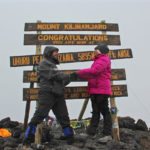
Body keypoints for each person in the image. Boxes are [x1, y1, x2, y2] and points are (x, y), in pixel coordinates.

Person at [23, 46, 74, 145]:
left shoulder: (54, 65)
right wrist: (70, 76)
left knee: (63, 116)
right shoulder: (43, 63)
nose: (57, 54)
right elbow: (55, 75)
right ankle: (28, 138)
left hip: (58, 93)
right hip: (47, 93)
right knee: (40, 114)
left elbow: (60, 80)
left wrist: (68, 79)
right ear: (48, 53)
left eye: (57, 52)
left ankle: (70, 138)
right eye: (55, 52)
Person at [71, 43, 112, 140]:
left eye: (96, 50)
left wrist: (78, 73)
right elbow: (93, 72)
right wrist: (81, 74)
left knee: (105, 112)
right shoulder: (99, 60)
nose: (94, 52)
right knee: (96, 112)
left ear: (100, 51)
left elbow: (94, 71)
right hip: (95, 89)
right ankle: (91, 133)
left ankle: (107, 134)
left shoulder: (103, 59)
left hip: (101, 90)